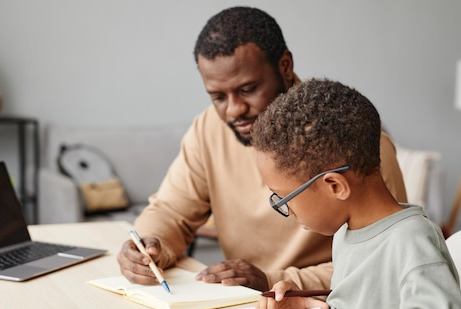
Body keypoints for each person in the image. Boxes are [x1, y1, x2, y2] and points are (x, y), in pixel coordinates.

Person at [117, 6, 407, 292]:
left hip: (324, 305)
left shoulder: (352, 140)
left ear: (285, 66)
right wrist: (148, 246)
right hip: (244, 301)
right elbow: (170, 210)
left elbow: (381, 258)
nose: (234, 110)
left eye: (247, 89)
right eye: (218, 96)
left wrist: (273, 280)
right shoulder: (208, 128)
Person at [240, 78, 461, 309]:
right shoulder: (347, 234)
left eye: (284, 199)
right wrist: (312, 305)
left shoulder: (411, 243)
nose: (288, 212)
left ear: (335, 186)